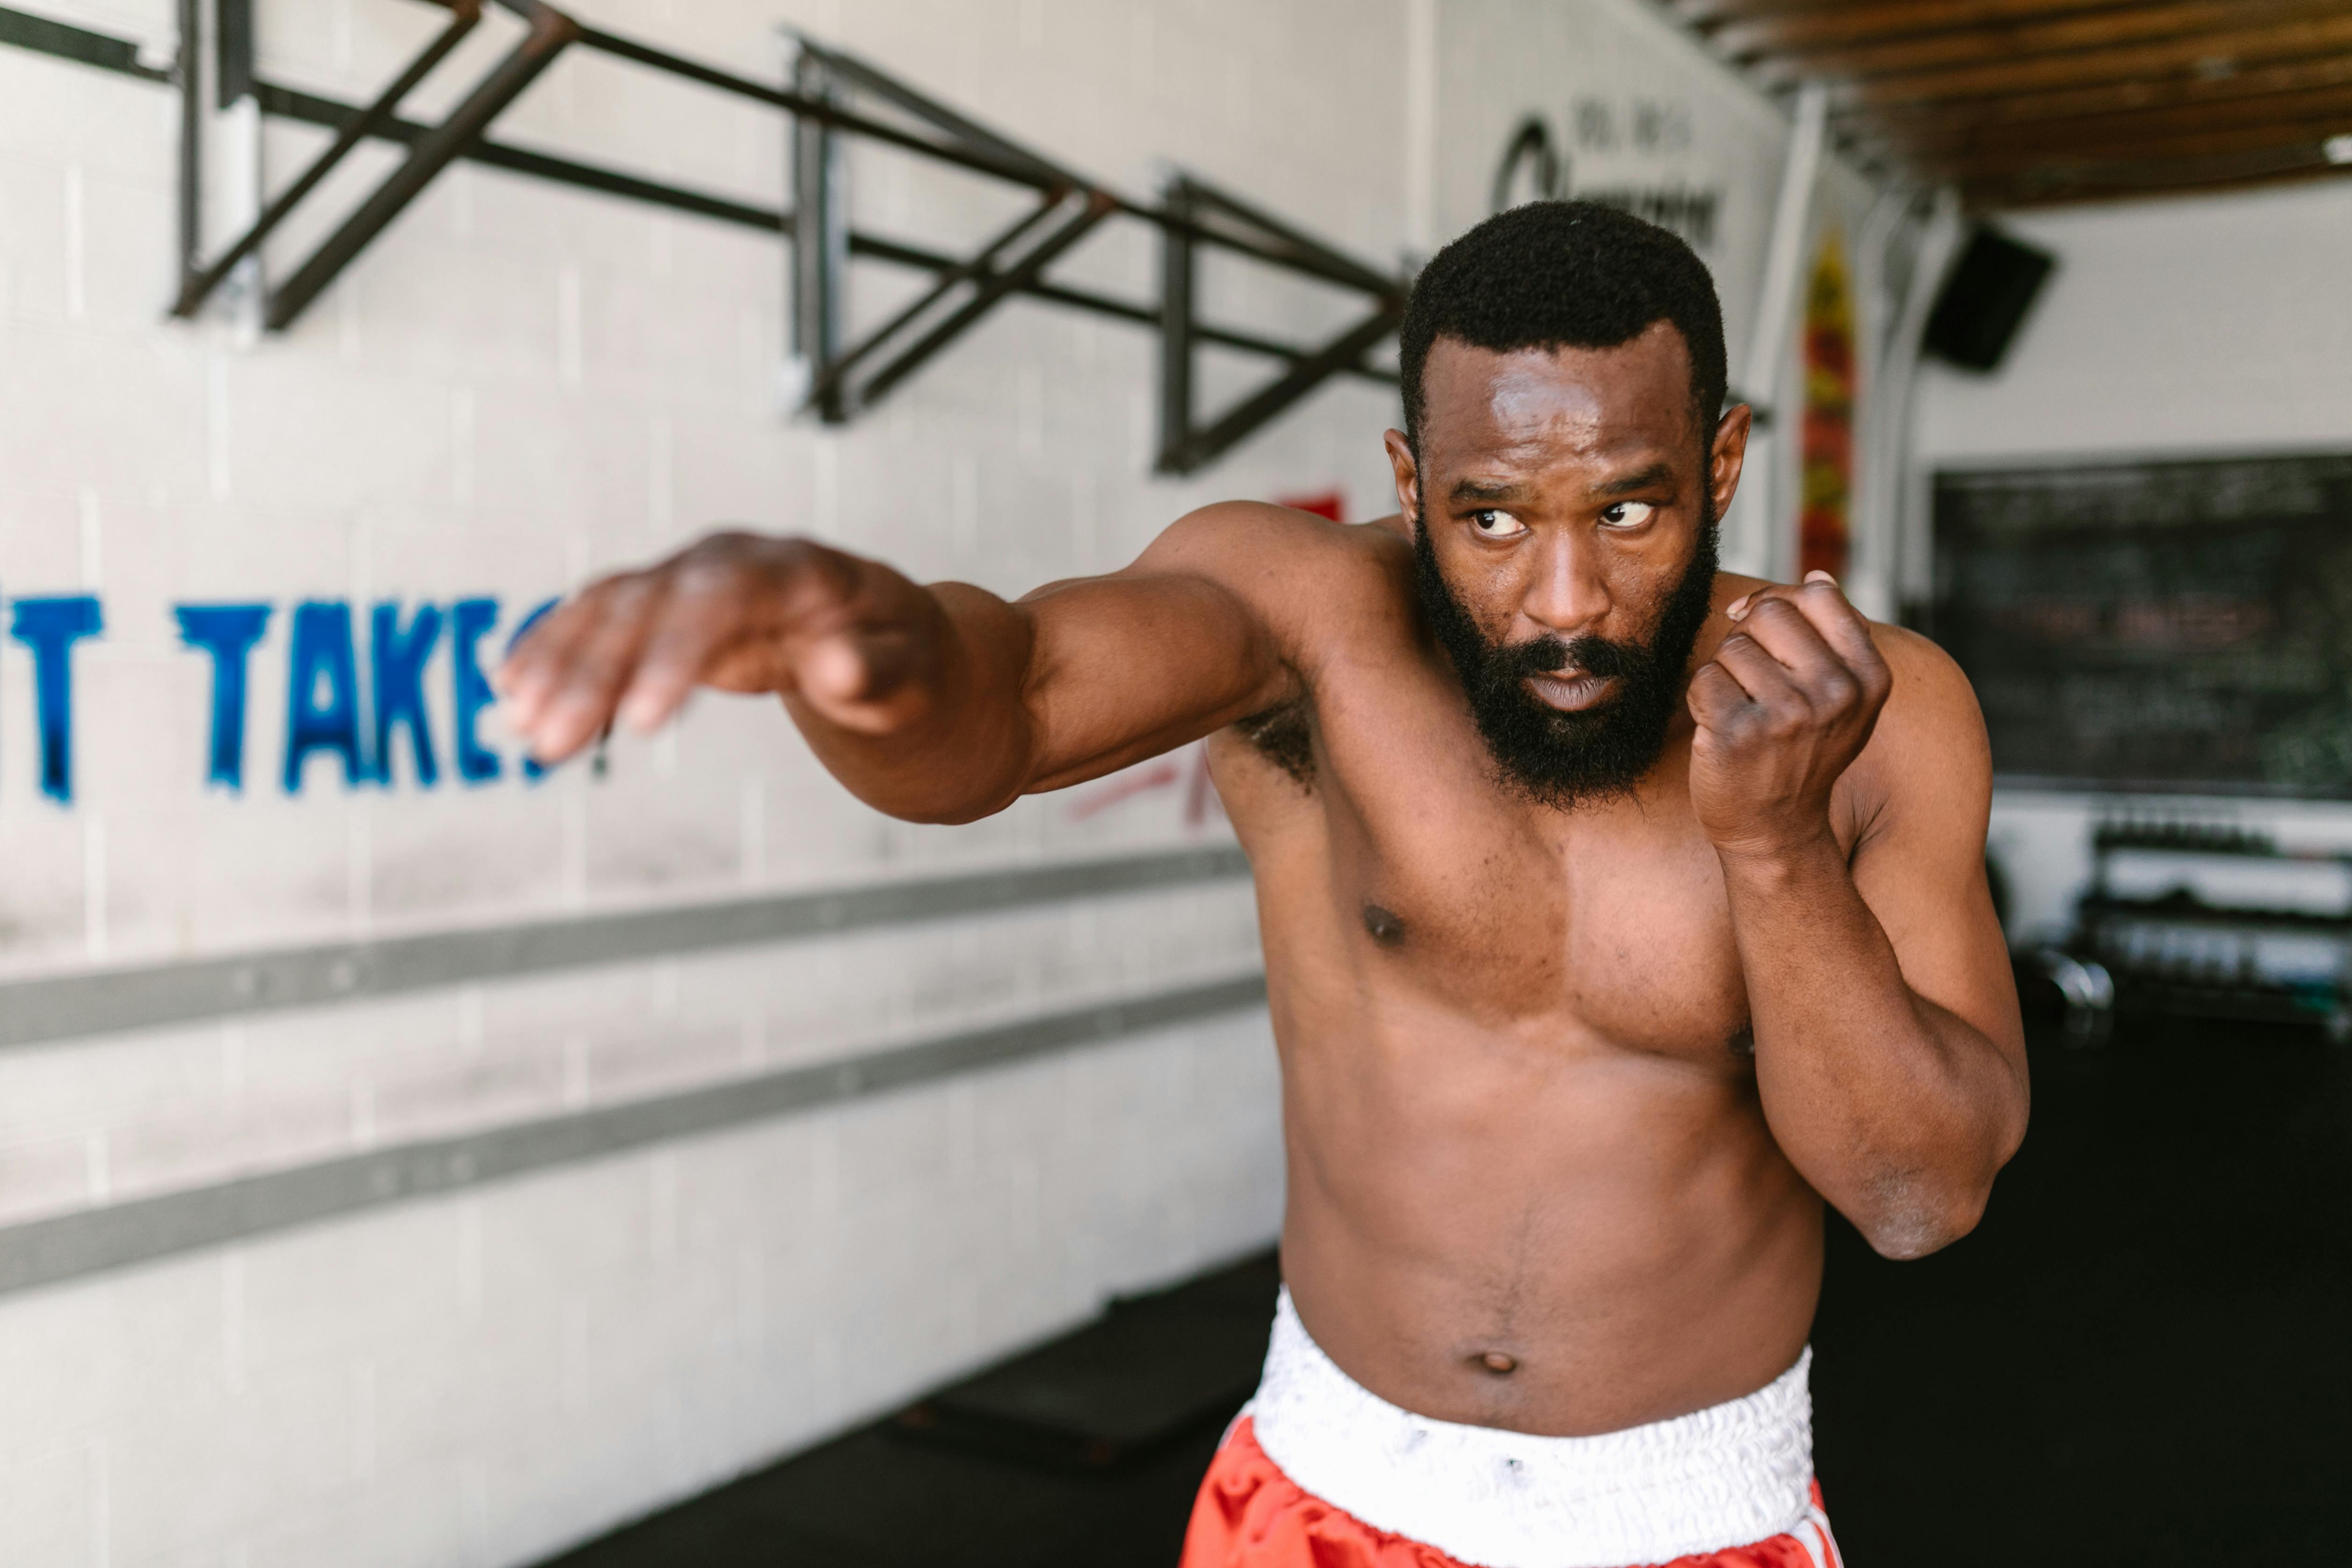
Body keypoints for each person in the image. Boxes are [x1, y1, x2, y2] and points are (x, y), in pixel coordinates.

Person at [498, 201, 2026, 1568]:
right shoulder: (1305, 621)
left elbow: (1918, 1194)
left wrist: (1772, 845)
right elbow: (1012, 701)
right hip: (1318, 1493)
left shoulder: (1876, 709)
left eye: (1627, 510)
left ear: (1723, 460)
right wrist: (852, 634)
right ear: (1410, 478)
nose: (1563, 602)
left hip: (1686, 1522)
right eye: (1488, 518)